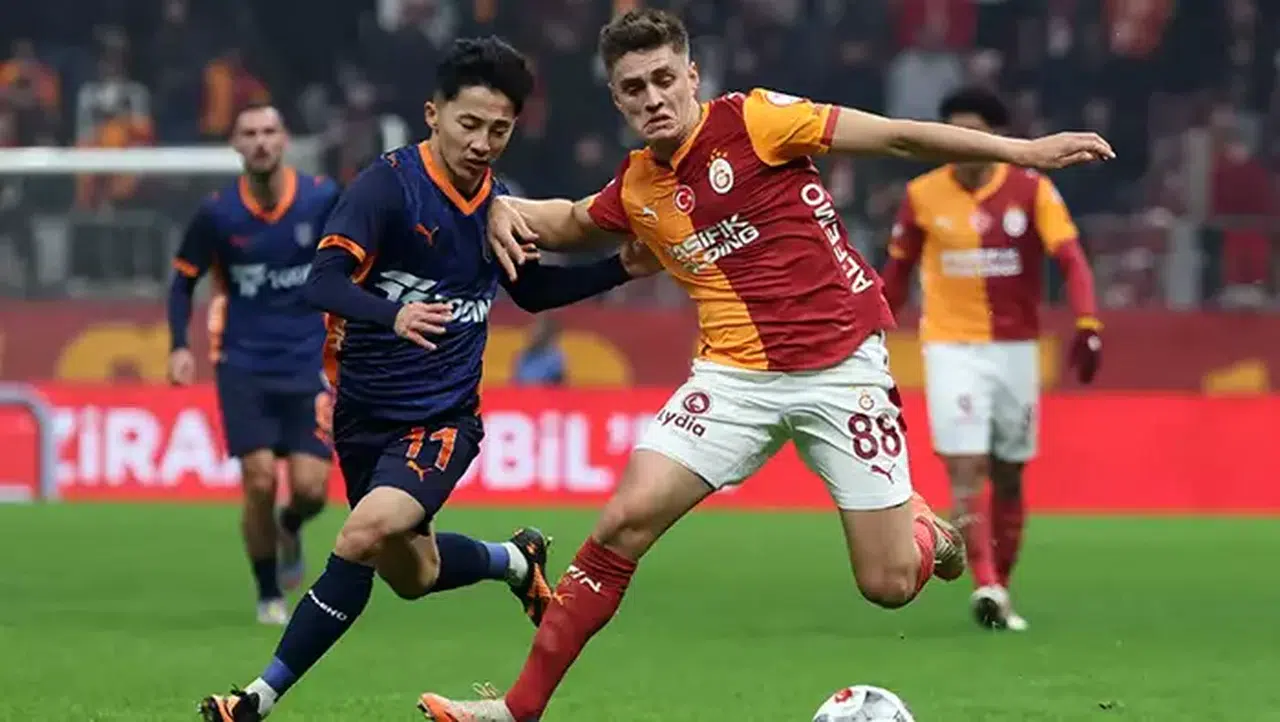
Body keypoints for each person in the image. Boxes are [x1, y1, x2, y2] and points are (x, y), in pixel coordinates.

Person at [417, 10, 1113, 722]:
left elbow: (896, 136)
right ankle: (518, 709)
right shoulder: (638, 186)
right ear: (617, 100)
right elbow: (569, 220)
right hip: (732, 380)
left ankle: (925, 533)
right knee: (623, 521)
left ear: (693, 76)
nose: (652, 97)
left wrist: (1024, 152)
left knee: (887, 584)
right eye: (633, 88)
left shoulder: (758, 120)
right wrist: (495, 204)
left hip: (842, 370)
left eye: (663, 79)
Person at [197, 36, 660, 722]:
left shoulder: (498, 204)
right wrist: (394, 312)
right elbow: (322, 283)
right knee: (414, 576)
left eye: (499, 130)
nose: (482, 143)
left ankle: (255, 699)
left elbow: (530, 291)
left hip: (441, 421)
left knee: (358, 536)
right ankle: (516, 560)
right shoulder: (386, 189)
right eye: (469, 124)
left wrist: (620, 267)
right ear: (433, 114)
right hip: (362, 417)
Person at [879, 87, 1102, 631]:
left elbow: (1071, 259)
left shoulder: (1031, 190)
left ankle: (1000, 584)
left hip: (1015, 351)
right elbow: (897, 277)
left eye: (974, 132)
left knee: (1007, 474)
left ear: (996, 136)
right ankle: (983, 582)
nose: (963, 143)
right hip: (950, 347)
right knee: (965, 468)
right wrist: (871, 334)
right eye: (954, 132)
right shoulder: (922, 194)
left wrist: (1088, 323)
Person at [168, 103, 338, 625]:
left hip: (309, 362)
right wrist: (179, 345)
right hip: (243, 363)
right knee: (259, 479)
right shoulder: (217, 214)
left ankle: (291, 526)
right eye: (250, 133)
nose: (261, 141)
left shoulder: (321, 198)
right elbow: (183, 281)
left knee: (311, 491)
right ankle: (268, 594)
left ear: (284, 140)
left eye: (269, 131)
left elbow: (354, 262)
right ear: (236, 145)